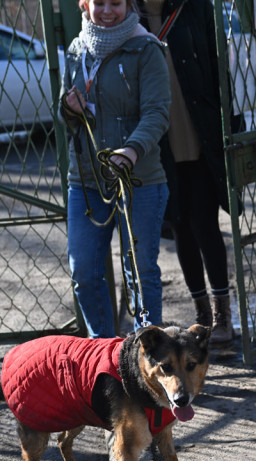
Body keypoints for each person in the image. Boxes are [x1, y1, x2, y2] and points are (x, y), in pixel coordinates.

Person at [61, 0, 172, 338]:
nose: (107, 10)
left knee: (140, 273)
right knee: (84, 272)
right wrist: (68, 109)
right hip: (86, 181)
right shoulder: (77, 49)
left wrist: (131, 150)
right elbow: (67, 116)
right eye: (100, 3)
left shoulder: (146, 48)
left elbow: (157, 112)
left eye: (116, 3)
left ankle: (146, 357)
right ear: (85, 4)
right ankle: (103, 353)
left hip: (139, 179)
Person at [140, 0, 240, 345]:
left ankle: (223, 315)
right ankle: (202, 315)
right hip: (158, 147)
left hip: (199, 135)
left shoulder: (195, 8)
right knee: (180, 228)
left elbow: (218, 68)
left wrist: (232, 126)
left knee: (206, 226)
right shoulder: (129, 15)